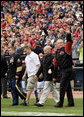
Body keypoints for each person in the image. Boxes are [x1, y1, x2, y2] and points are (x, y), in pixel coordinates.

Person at [53, 29, 75, 107]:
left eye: (62, 42)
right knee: (67, 87)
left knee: (62, 86)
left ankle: (60, 103)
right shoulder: (56, 53)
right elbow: (55, 64)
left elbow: (69, 43)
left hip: (67, 69)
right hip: (62, 71)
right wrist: (55, 75)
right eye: (59, 43)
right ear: (56, 45)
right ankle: (71, 102)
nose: (61, 44)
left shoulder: (66, 49)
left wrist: (68, 35)